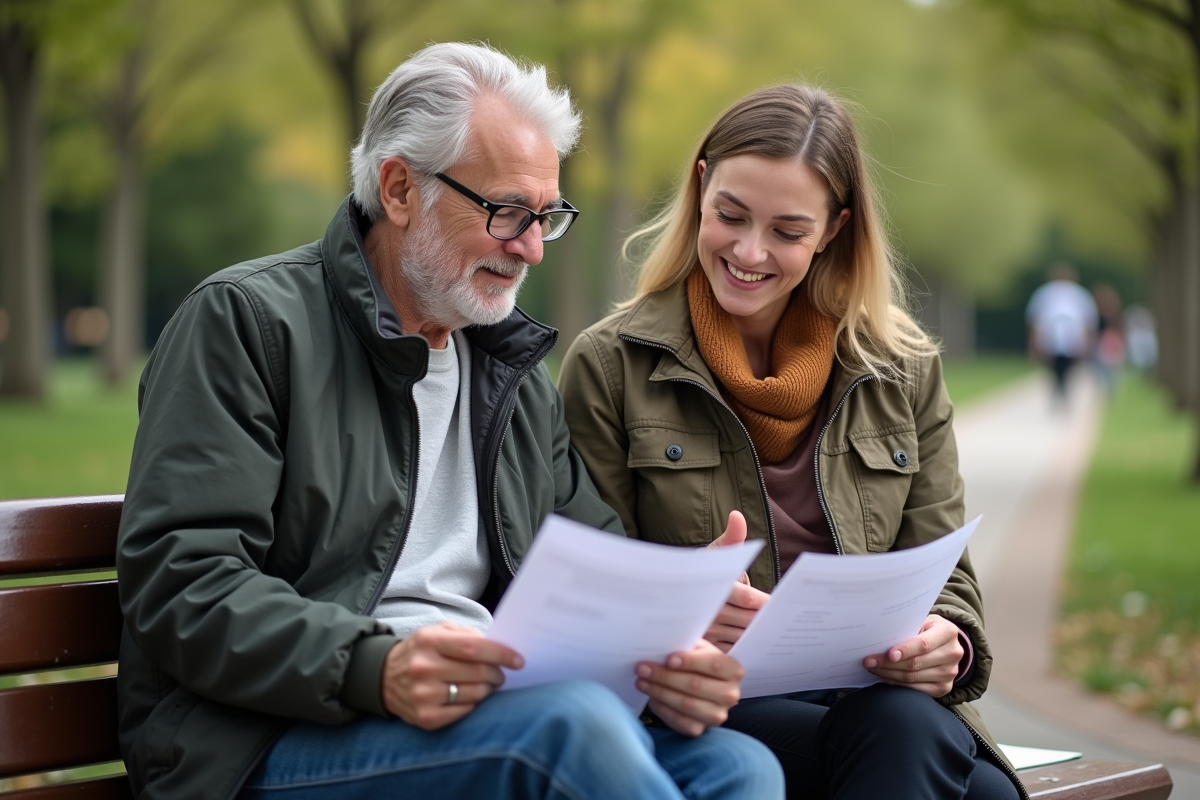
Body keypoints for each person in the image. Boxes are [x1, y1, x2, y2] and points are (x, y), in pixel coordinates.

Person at [115, 43, 784, 800]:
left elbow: (589, 570)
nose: (531, 248)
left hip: (484, 712)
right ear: (400, 189)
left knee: (738, 766)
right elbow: (184, 581)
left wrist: (670, 632)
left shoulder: (512, 375)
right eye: (507, 213)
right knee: (566, 730)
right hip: (265, 737)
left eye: (546, 218)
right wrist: (375, 665)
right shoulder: (247, 323)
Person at [559, 84, 1025, 800]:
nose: (750, 251)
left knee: (919, 736)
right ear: (701, 187)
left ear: (834, 229)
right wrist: (681, 609)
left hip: (879, 703)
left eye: (787, 231)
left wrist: (946, 642)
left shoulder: (901, 369)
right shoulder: (611, 365)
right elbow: (582, 590)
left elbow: (945, 573)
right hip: (705, 707)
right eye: (731, 216)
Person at [1025, 262, 1098, 404]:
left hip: (1072, 339)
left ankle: (1063, 390)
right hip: (1050, 338)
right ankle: (1058, 390)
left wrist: (1088, 342)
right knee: (1054, 368)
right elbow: (1034, 320)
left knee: (1068, 368)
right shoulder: (1044, 293)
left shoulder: (1079, 294)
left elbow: (1089, 321)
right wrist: (1033, 342)